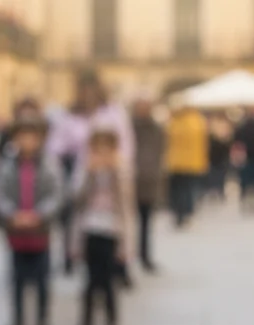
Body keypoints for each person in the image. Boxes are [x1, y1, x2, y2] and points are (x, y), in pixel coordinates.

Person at [46, 72, 134, 275]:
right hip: (84, 173)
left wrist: (115, 164)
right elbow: (55, 147)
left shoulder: (113, 113)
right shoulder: (69, 116)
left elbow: (127, 146)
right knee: (79, 218)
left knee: (119, 220)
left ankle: (120, 263)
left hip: (112, 175)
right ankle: (78, 256)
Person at [0, 117, 66, 325]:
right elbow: (0, 193)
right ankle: (18, 320)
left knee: (42, 278)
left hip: (40, 230)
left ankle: (42, 318)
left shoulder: (49, 164)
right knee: (17, 278)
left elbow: (57, 192)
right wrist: (13, 215)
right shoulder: (6, 164)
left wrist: (40, 215)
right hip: (16, 230)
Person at [72, 130, 135, 325]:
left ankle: (111, 321)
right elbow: (77, 200)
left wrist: (127, 244)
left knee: (108, 280)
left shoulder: (121, 171)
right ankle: (86, 322)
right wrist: (90, 174)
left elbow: (126, 207)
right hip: (90, 228)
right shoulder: (84, 170)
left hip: (112, 229)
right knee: (90, 280)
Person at [130, 99, 165, 272]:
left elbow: (161, 152)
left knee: (146, 223)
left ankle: (145, 256)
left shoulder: (156, 129)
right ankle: (126, 261)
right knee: (129, 225)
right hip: (130, 181)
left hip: (149, 180)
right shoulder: (128, 128)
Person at [166, 106, 208, 227]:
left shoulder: (174, 123)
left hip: (175, 162)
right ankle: (187, 213)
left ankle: (178, 213)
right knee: (189, 189)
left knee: (178, 190)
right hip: (193, 162)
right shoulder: (198, 122)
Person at [204, 113, 231, 202]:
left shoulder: (212, 128)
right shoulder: (222, 128)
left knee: (216, 175)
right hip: (219, 157)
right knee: (218, 175)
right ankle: (218, 191)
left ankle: (216, 191)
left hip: (216, 157)